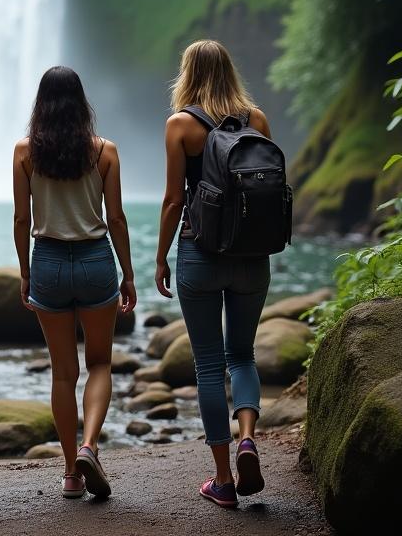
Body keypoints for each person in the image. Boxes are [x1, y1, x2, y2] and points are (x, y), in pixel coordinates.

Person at [154, 39, 272, 510]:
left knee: (207, 364)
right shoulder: (257, 120)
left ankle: (223, 479)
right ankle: (247, 438)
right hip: (250, 257)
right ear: (230, 71)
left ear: (187, 73)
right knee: (242, 355)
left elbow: (173, 201)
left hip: (199, 253)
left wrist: (160, 256)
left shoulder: (181, 125)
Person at [12, 66, 136, 501]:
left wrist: (25, 273)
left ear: (40, 104)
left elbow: (21, 218)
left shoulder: (25, 152)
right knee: (100, 363)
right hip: (95, 259)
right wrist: (128, 273)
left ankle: (70, 474)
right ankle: (90, 447)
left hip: (47, 260)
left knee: (63, 373)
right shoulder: (104, 151)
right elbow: (116, 218)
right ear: (82, 103)